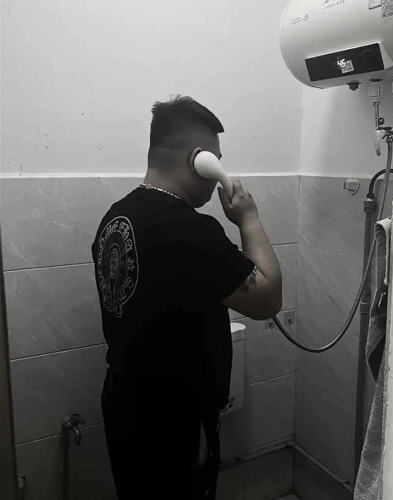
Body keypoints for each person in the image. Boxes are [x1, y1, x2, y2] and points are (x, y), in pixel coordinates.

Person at [91, 96, 282, 499]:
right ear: (200, 161)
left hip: (124, 404)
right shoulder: (188, 230)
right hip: (173, 419)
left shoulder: (115, 217)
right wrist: (249, 218)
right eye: (217, 161)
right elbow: (267, 298)